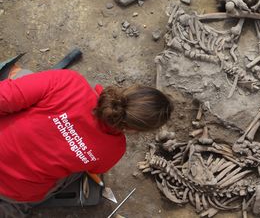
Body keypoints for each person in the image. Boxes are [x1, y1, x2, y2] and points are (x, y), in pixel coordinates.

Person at [0, 67, 173, 217]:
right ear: (135, 129)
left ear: (128, 90)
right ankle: (15, 207)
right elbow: (94, 169)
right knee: (79, 170)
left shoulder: (68, 82)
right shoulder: (114, 151)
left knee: (24, 77)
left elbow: (4, 98)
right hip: (16, 193)